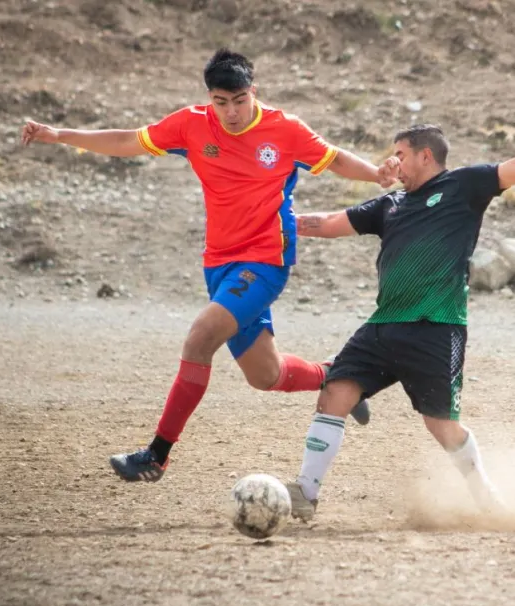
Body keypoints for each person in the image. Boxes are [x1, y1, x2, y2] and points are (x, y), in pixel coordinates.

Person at [21, 49, 398, 483]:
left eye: (240, 100)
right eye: (222, 102)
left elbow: (333, 159)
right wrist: (59, 135)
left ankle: (156, 456)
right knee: (265, 374)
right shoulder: (191, 124)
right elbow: (128, 140)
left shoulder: (285, 130)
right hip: (218, 264)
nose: (232, 112)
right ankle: (338, 376)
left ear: (253, 92)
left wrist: (376, 174)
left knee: (200, 338)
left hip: (264, 262)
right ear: (209, 98)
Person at [283, 124, 515, 521]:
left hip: (436, 327)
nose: (394, 163)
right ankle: (306, 492)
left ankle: (487, 499)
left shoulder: (464, 185)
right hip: (384, 324)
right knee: (335, 392)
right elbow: (327, 222)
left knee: (442, 426)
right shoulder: (389, 205)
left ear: (426, 156)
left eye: (401, 154)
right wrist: (273, 222)